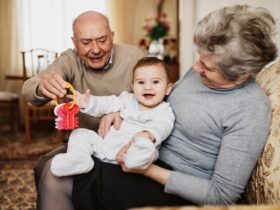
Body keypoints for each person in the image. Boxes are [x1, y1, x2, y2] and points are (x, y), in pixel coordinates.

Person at [35, 4, 278, 210]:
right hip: (142, 148)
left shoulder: (250, 110)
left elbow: (222, 195)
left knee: (57, 178)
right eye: (199, 57)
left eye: (207, 66)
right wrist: (119, 112)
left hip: (169, 178)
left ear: (242, 74)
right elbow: (159, 103)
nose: (195, 68)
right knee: (50, 161)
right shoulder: (199, 75)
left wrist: (149, 170)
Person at [51, 57, 174, 177]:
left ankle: (135, 161)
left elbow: (163, 126)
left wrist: (147, 134)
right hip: (105, 146)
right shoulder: (127, 99)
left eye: (155, 82)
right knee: (79, 133)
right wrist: (88, 102)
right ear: (133, 87)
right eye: (141, 82)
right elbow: (108, 103)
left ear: (168, 88)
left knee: (146, 147)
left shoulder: (164, 111)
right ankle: (80, 159)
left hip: (132, 151)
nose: (147, 87)